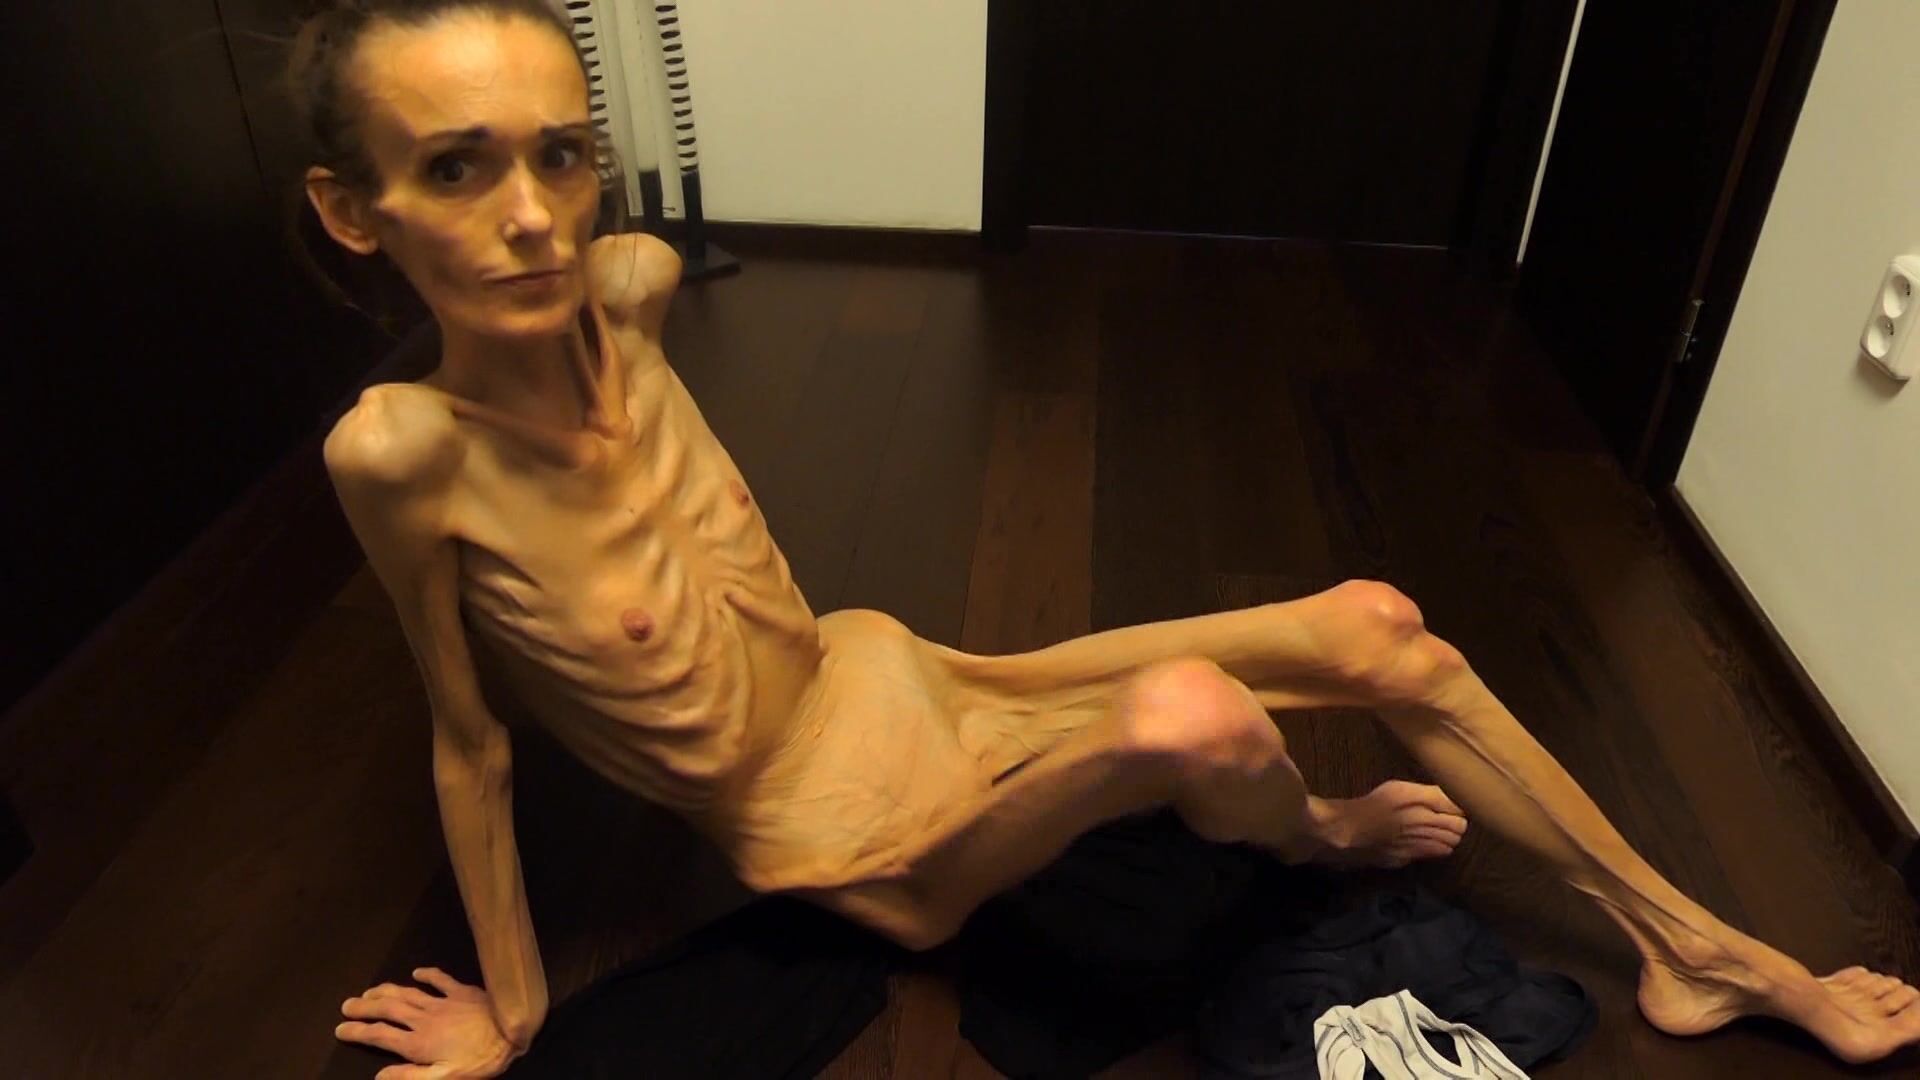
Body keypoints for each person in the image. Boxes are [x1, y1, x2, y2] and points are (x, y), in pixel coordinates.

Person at [288, 2, 1920, 1076]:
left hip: (908, 675)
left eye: (561, 153)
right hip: (845, 837)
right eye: (456, 169)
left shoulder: (636, 293)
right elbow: (471, 740)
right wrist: (514, 1015)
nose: (532, 217)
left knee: (1373, 621)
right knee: (1192, 718)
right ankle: (1315, 838)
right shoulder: (405, 456)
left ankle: (1696, 949)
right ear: (356, 212)